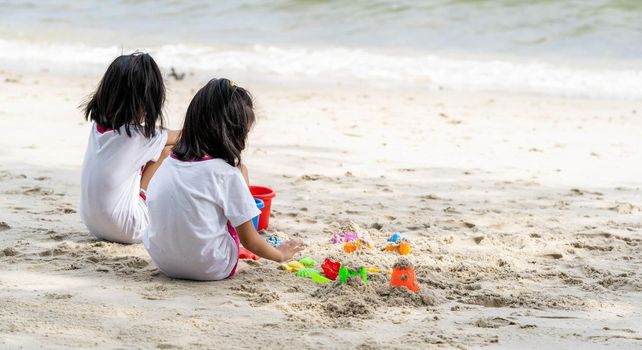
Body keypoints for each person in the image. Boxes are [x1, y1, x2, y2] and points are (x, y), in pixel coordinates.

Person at [144, 78, 303, 280]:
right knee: (240, 173)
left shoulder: (168, 162)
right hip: (209, 267)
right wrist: (280, 254)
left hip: (163, 261)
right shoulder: (227, 174)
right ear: (232, 134)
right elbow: (250, 240)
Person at [79, 53, 179, 244]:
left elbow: (148, 134)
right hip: (129, 228)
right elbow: (181, 136)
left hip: (93, 223)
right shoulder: (139, 138)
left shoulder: (98, 129)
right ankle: (145, 196)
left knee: (155, 150)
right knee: (169, 150)